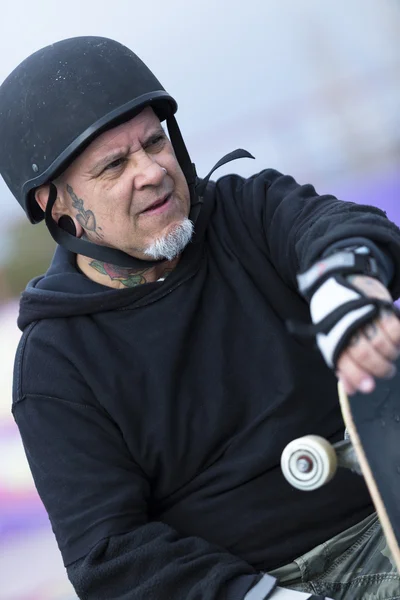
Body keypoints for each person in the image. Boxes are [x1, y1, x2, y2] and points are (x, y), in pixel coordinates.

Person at [1, 36, 399, 600]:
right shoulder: (55, 366)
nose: (152, 170)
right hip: (258, 582)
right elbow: (110, 555)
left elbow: (336, 229)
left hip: (383, 512)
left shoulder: (246, 211)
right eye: (115, 165)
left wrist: (345, 287)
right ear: (54, 203)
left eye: (154, 142)